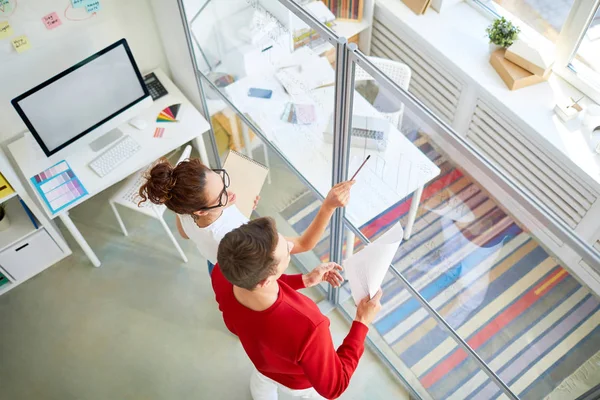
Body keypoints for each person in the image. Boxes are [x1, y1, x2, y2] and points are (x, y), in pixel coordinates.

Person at [214, 217, 383, 399]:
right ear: (266, 280)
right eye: (286, 250)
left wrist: (305, 280)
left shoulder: (222, 272)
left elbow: (236, 319)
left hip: (261, 363)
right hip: (295, 381)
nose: (290, 245)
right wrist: (361, 322)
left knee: (262, 383)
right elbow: (335, 386)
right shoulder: (308, 326)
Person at [138, 157, 354, 274]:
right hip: (244, 268)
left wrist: (235, 208)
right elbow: (303, 244)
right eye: (222, 196)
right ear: (200, 211)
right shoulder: (239, 236)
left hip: (216, 265)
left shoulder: (183, 208)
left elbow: (185, 234)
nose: (231, 194)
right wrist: (328, 207)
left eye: (223, 181)